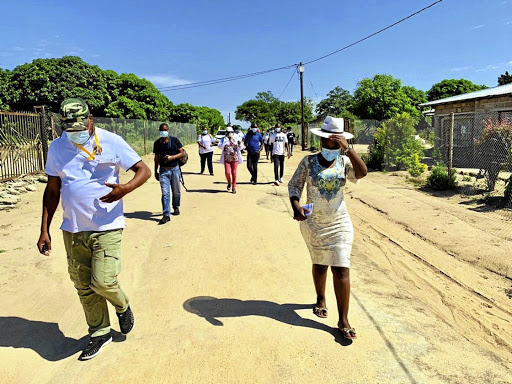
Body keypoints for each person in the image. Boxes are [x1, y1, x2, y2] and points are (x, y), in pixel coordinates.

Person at [37, 98, 151, 360]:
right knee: (83, 285)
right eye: (70, 128)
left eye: (80, 126)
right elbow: (53, 190)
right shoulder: (57, 147)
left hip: (107, 226)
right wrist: (45, 229)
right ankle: (99, 332)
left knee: (102, 281)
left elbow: (143, 170)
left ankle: (122, 305)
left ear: (91, 119)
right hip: (73, 228)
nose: (76, 133)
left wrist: (126, 188)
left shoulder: (111, 141)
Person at [287, 116, 367, 341]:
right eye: (328, 143)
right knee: (320, 263)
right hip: (314, 222)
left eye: (336, 143)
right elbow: (294, 185)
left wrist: (348, 150)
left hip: (339, 222)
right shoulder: (308, 162)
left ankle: (343, 320)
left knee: (341, 268)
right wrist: (296, 205)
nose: (331, 147)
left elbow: (362, 173)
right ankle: (320, 298)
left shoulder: (344, 162)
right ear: (321, 141)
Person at [153, 123, 186, 224]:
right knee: (165, 193)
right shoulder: (157, 143)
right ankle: (166, 214)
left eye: (165, 129)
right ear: (159, 131)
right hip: (163, 171)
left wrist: (173, 157)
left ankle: (176, 206)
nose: (164, 131)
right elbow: (156, 158)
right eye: (162, 130)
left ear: (168, 130)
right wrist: (156, 171)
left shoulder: (174, 140)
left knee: (176, 191)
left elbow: (182, 152)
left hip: (175, 169)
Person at [219, 126, 243, 194]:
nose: (230, 134)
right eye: (228, 132)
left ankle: (234, 187)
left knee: (234, 173)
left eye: (231, 132)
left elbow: (241, 147)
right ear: (226, 133)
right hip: (226, 159)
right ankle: (229, 182)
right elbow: (219, 146)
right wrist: (226, 141)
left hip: (235, 158)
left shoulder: (236, 138)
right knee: (227, 172)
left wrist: (239, 143)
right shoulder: (223, 139)